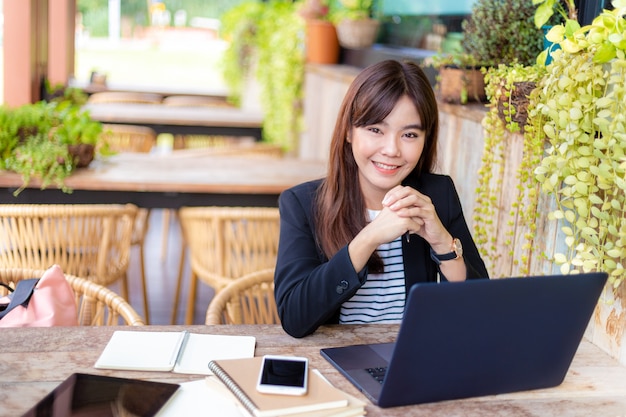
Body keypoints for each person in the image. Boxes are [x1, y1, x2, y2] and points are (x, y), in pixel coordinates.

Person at [274, 60, 489, 338]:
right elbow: (294, 318)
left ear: (426, 140)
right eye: (376, 129)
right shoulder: (303, 204)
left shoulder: (436, 195)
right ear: (349, 131)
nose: (391, 149)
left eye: (409, 134)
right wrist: (368, 238)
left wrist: (442, 242)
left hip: (411, 357)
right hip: (333, 359)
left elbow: (480, 307)